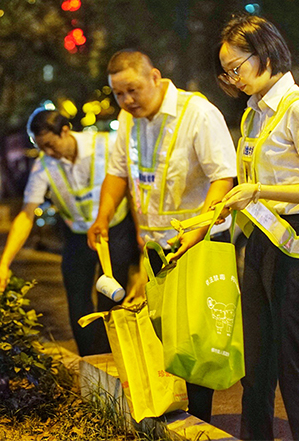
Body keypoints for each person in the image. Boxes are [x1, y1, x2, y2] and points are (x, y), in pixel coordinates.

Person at [87, 49, 237, 423]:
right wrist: (102, 218)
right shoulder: (127, 120)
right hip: (155, 249)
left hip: (197, 245)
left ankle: (200, 420)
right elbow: (117, 174)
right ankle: (173, 412)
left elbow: (224, 178)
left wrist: (198, 231)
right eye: (119, 94)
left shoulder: (198, 114)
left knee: (196, 338)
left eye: (132, 90)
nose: (126, 101)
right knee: (163, 336)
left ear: (155, 77)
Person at [215, 14, 299, 441]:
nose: (233, 79)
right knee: (257, 370)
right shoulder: (253, 115)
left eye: (237, 67)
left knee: (295, 372)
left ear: (264, 54)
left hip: (295, 252)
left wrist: (260, 191)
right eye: (227, 72)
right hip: (259, 247)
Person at [0, 108, 140, 357]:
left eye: (50, 144)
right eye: (41, 148)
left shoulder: (107, 146)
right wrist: (4, 264)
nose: (48, 153)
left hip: (115, 231)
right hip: (78, 236)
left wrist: (140, 233)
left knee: (112, 300)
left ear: (66, 131)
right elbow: (26, 215)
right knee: (78, 300)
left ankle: (113, 359)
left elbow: (134, 190)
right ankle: (91, 361)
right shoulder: (43, 166)